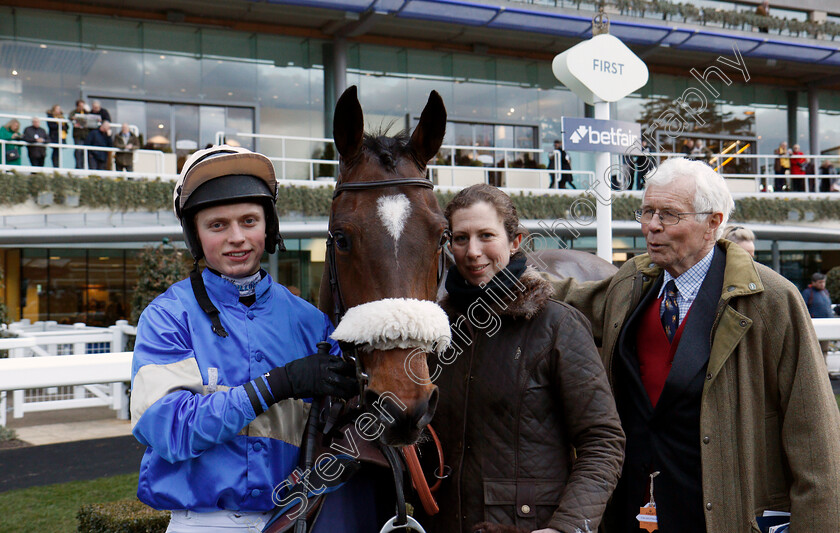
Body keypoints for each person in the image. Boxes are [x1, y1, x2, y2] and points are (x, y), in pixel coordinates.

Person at [553, 157, 840, 532]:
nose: (651, 226)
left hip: (722, 516)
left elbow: (815, 439)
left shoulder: (772, 300)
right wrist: (498, 272)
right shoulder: (632, 283)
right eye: (647, 211)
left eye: (670, 215)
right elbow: (571, 298)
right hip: (633, 513)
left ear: (713, 223)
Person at [130, 145, 357, 532]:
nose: (237, 237)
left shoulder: (311, 323)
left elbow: (346, 427)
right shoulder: (168, 316)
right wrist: (276, 385)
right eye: (217, 225)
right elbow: (167, 429)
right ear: (195, 236)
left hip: (294, 519)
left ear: (268, 227)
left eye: (249, 220)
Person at [430, 183, 624, 532]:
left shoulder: (558, 325)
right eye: (460, 238)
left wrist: (566, 527)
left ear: (515, 241)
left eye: (486, 235)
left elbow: (603, 442)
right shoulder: (437, 330)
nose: (472, 251)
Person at [802, 272, 835, 365]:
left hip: (827, 326)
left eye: (823, 282)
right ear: (813, 282)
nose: (822, 284)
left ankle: (824, 369)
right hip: (815, 327)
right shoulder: (807, 293)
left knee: (824, 349)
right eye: (820, 282)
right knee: (815, 350)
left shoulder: (825, 292)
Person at [69, 99, 90, 169]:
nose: (82, 107)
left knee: (84, 152)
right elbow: (70, 117)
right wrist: (74, 117)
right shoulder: (74, 112)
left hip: (86, 135)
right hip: (78, 135)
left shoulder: (86, 112)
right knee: (78, 151)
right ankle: (78, 166)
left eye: (82, 105)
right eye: (80, 106)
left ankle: (83, 166)